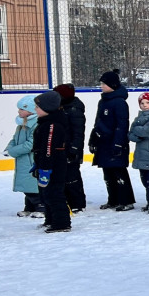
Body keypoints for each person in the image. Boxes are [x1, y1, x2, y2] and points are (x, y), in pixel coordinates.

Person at [89, 69, 135, 211]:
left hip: (114, 143)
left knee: (119, 172)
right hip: (103, 143)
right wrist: (93, 139)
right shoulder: (103, 101)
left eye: (104, 83)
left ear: (113, 85)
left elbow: (122, 125)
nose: (101, 86)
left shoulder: (119, 102)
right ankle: (113, 199)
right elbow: (98, 122)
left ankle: (126, 200)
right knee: (108, 173)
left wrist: (118, 143)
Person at [32, 90, 71, 233]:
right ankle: (50, 219)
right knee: (46, 193)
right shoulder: (45, 123)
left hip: (54, 166)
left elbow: (49, 148)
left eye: (38, 107)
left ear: (47, 108)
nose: (35, 109)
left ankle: (62, 223)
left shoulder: (52, 125)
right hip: (45, 164)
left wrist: (45, 168)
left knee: (54, 194)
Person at [5, 95, 41, 217]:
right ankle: (29, 207)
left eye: (21, 109)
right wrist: (9, 148)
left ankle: (41, 206)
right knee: (26, 184)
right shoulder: (21, 125)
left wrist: (13, 151)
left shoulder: (36, 124)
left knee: (32, 184)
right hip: (23, 159)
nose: (19, 111)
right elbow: (15, 139)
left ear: (30, 110)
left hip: (31, 160)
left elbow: (30, 144)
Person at [53, 84, 87, 213]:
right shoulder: (62, 108)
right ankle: (68, 201)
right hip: (62, 148)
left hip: (72, 149)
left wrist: (74, 149)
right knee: (64, 176)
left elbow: (78, 132)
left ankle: (78, 203)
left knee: (72, 177)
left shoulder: (74, 109)